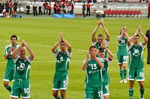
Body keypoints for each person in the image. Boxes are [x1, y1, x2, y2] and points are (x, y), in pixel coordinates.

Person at [128, 25, 148, 99]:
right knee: (131, 84)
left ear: (139, 39)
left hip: (139, 68)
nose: (136, 40)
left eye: (137, 38)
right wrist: (135, 33)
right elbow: (128, 41)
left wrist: (141, 33)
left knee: (142, 85)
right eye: (135, 38)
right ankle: (131, 97)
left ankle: (142, 96)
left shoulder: (141, 46)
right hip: (132, 68)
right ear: (133, 39)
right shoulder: (130, 47)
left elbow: (146, 40)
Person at [51, 32, 72, 99]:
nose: (62, 46)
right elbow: (52, 49)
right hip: (57, 74)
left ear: (65, 45)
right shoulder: (58, 53)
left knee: (63, 93)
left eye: (64, 44)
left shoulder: (68, 53)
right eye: (61, 45)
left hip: (64, 74)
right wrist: (59, 41)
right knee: (54, 93)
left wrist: (63, 39)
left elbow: (70, 47)